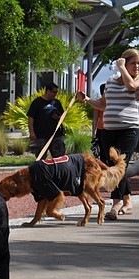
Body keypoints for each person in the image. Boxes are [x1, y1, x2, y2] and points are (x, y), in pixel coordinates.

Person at [78, 49, 139, 219]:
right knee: (115, 167)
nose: (137, 66)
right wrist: (87, 99)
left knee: (119, 166)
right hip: (108, 131)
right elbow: (103, 104)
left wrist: (122, 69)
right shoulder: (111, 81)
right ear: (124, 62)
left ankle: (116, 203)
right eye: (133, 62)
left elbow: (131, 86)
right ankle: (127, 201)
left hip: (129, 129)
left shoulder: (136, 81)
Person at [27, 82, 66, 158]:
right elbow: (30, 117)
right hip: (41, 136)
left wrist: (58, 117)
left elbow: (62, 115)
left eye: (56, 92)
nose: (55, 94)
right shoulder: (37, 102)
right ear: (48, 91)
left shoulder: (57, 103)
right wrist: (31, 132)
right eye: (54, 92)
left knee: (59, 158)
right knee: (41, 159)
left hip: (56, 135)